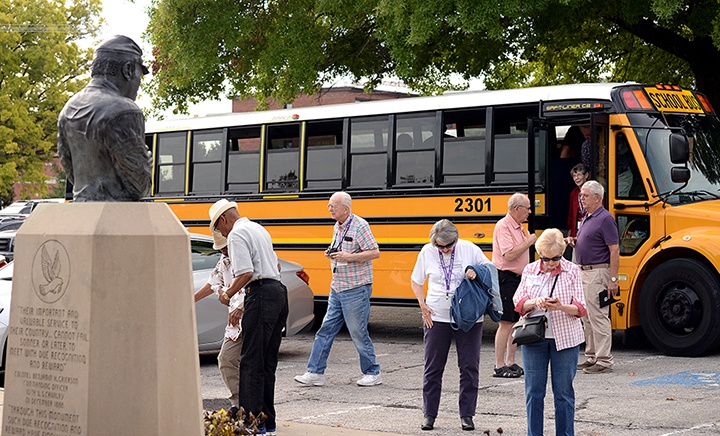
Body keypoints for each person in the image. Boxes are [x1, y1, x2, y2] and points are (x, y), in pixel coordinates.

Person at [210, 199, 288, 435]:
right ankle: (268, 423)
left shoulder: (236, 234)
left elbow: (245, 272)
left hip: (260, 295)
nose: (221, 233)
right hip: (278, 293)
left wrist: (228, 293)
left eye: (218, 228)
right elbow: (273, 264)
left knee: (251, 363)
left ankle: (252, 424)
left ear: (224, 219)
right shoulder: (258, 228)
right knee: (267, 363)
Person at [411, 219, 495, 431]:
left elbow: (490, 268)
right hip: (436, 315)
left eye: (449, 245)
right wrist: (422, 305)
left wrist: (476, 271)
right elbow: (416, 281)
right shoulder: (427, 251)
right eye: (441, 246)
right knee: (433, 367)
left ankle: (467, 414)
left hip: (467, 317)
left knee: (469, 366)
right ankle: (429, 414)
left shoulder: (469, 248)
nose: (445, 249)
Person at [295, 192, 382, 387]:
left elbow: (375, 252)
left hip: (355, 287)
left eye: (333, 205)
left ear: (346, 208)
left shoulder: (360, 225)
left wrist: (348, 257)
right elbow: (343, 249)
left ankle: (372, 372)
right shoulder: (338, 226)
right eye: (329, 205)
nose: (330, 208)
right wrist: (332, 252)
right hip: (338, 286)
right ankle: (315, 372)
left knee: (357, 332)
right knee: (325, 329)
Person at [58, 35, 151, 202]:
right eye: (139, 74)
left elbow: (67, 164)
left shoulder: (68, 108)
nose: (139, 83)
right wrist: (145, 162)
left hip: (81, 208)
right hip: (117, 215)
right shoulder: (124, 111)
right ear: (128, 70)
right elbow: (139, 186)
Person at [513, 228, 587, 436]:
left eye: (556, 258)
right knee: (534, 393)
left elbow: (581, 307)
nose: (551, 263)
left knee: (563, 393)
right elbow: (518, 303)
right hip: (534, 338)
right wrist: (535, 302)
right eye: (546, 259)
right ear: (539, 254)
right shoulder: (529, 270)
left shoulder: (572, 270)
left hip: (565, 339)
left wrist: (561, 307)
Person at [566, 180, 619, 374]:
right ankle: (592, 356)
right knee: (586, 316)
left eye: (585, 196)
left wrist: (613, 280)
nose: (581, 199)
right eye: (581, 195)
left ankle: (604, 360)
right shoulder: (588, 217)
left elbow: (614, 250)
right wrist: (575, 242)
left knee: (597, 315)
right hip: (585, 271)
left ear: (598, 198)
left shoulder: (605, 218)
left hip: (597, 272)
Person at [192, 231, 244, 418]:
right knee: (226, 359)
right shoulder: (224, 261)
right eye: (220, 248)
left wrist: (240, 306)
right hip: (235, 322)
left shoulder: (243, 256)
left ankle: (252, 405)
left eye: (224, 247)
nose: (223, 251)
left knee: (251, 364)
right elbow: (212, 283)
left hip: (251, 315)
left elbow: (252, 283)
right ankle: (238, 402)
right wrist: (191, 300)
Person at [492, 193, 536, 378]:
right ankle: (499, 364)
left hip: (520, 278)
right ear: (517, 208)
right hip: (506, 278)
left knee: (517, 322)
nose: (530, 212)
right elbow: (508, 254)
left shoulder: (520, 228)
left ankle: (511, 361)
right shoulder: (504, 226)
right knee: (506, 322)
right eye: (527, 208)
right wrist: (528, 242)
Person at [566, 164, 590, 239]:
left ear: (586, 175)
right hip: (577, 230)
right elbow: (571, 214)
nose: (576, 178)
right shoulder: (574, 193)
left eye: (579, 175)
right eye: (574, 176)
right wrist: (570, 229)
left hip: (590, 228)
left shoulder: (593, 190)